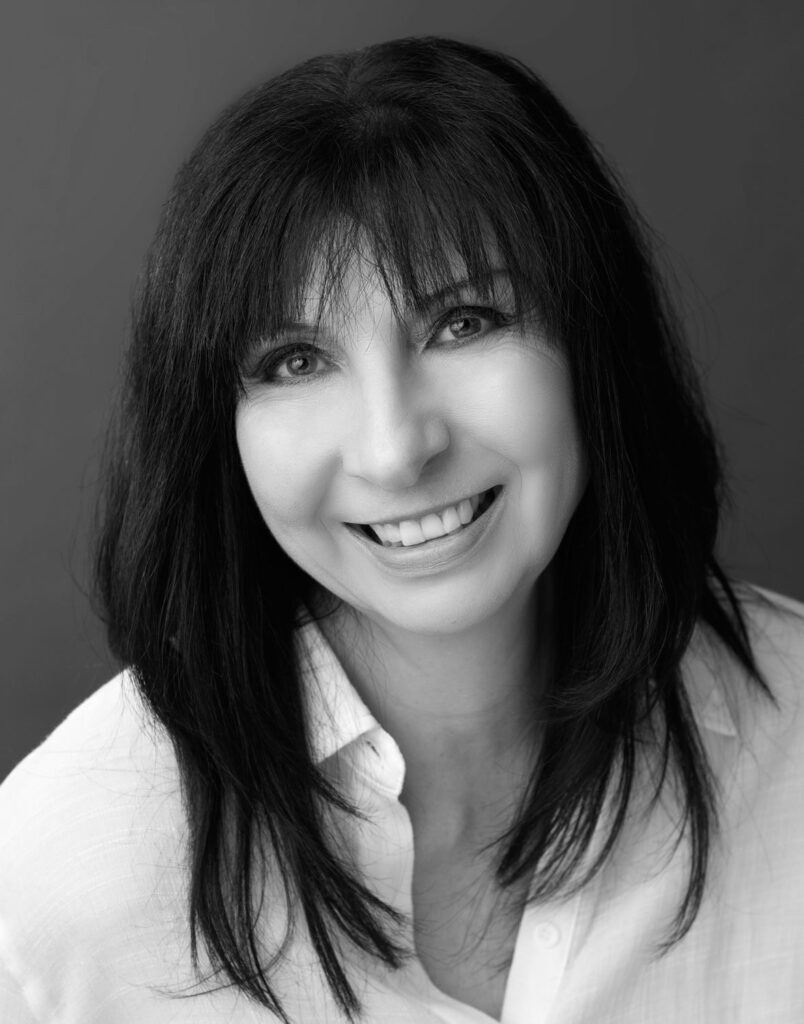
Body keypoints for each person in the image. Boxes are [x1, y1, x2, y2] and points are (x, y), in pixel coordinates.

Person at [0, 34, 802, 1024]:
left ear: (593, 345)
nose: (395, 449)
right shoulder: (59, 883)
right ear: (218, 427)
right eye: (296, 359)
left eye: (463, 322)